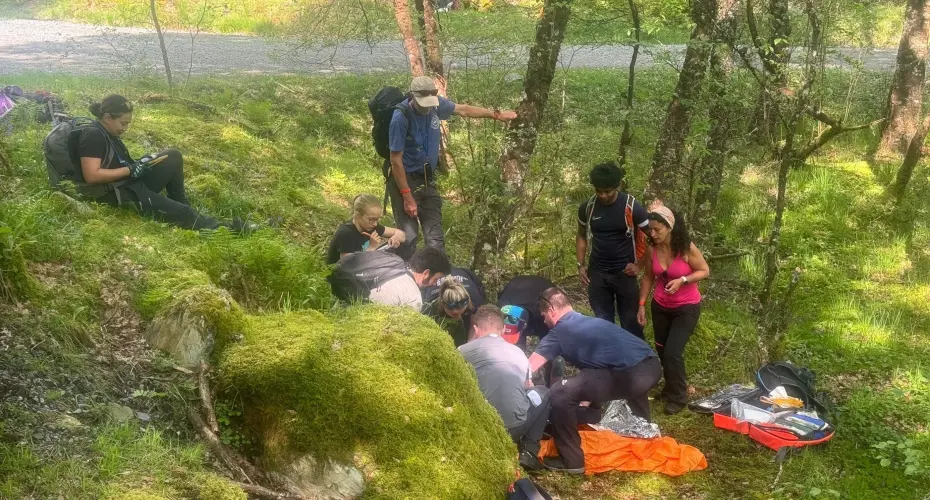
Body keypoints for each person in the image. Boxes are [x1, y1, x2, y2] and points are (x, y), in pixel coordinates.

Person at [527, 287, 661, 474]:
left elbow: (528, 367)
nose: (544, 320)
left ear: (552, 311)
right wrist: (590, 398)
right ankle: (643, 438)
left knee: (560, 391)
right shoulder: (589, 322)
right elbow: (600, 365)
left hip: (632, 374)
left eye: (543, 315)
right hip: (652, 367)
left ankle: (572, 462)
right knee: (600, 375)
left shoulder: (560, 331)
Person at [387, 76, 517, 259]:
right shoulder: (399, 118)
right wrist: (407, 196)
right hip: (404, 181)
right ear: (412, 96)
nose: (427, 108)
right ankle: (403, 278)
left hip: (427, 180)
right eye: (423, 104)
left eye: (430, 103)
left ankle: (436, 280)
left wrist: (496, 114)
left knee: (435, 239)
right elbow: (396, 161)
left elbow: (463, 110)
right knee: (408, 238)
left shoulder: (436, 105)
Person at [75, 94, 247, 231]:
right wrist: (130, 170)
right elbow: (92, 175)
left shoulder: (109, 133)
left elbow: (115, 162)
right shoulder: (93, 135)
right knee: (184, 213)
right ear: (106, 117)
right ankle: (230, 229)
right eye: (123, 123)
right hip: (119, 193)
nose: (125, 128)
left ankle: (181, 204)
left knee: (172, 156)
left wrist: (141, 164)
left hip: (128, 182)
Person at [637, 205, 709, 415]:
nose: (653, 233)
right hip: (660, 306)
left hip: (686, 308)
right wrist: (641, 304)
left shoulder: (685, 247)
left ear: (670, 227)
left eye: (658, 229)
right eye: (651, 229)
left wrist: (683, 280)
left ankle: (679, 396)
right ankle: (669, 389)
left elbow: (704, 270)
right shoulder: (652, 248)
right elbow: (649, 277)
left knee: (673, 352)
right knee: (661, 349)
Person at [459, 305, 550, 471]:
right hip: (514, 427)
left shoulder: (462, 351)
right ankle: (529, 452)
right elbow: (527, 387)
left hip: (478, 427)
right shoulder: (518, 353)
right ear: (502, 330)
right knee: (543, 392)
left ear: (476, 329)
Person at [576, 161, 649, 338]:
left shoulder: (631, 207)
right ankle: (608, 360)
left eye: (607, 191)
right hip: (598, 272)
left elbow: (653, 238)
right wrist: (580, 264)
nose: (603, 195)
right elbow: (581, 236)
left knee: (630, 322)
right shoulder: (588, 207)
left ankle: (636, 361)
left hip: (624, 273)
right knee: (602, 321)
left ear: (617, 186)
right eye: (598, 191)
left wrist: (639, 266)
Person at [326, 194, 406, 264]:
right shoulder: (346, 233)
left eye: (377, 219)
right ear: (357, 215)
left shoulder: (372, 226)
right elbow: (347, 265)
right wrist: (371, 248)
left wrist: (395, 238)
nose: (375, 224)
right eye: (371, 219)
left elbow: (402, 234)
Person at [496, 275, 555, 349]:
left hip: (539, 301)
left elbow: (549, 339)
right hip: (514, 296)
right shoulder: (502, 309)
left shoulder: (544, 312)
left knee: (547, 340)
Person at [424, 279, 478, 347]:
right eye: (453, 313)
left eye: (460, 311)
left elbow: (474, 324)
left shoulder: (474, 300)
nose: (457, 314)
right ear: (443, 304)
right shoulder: (430, 309)